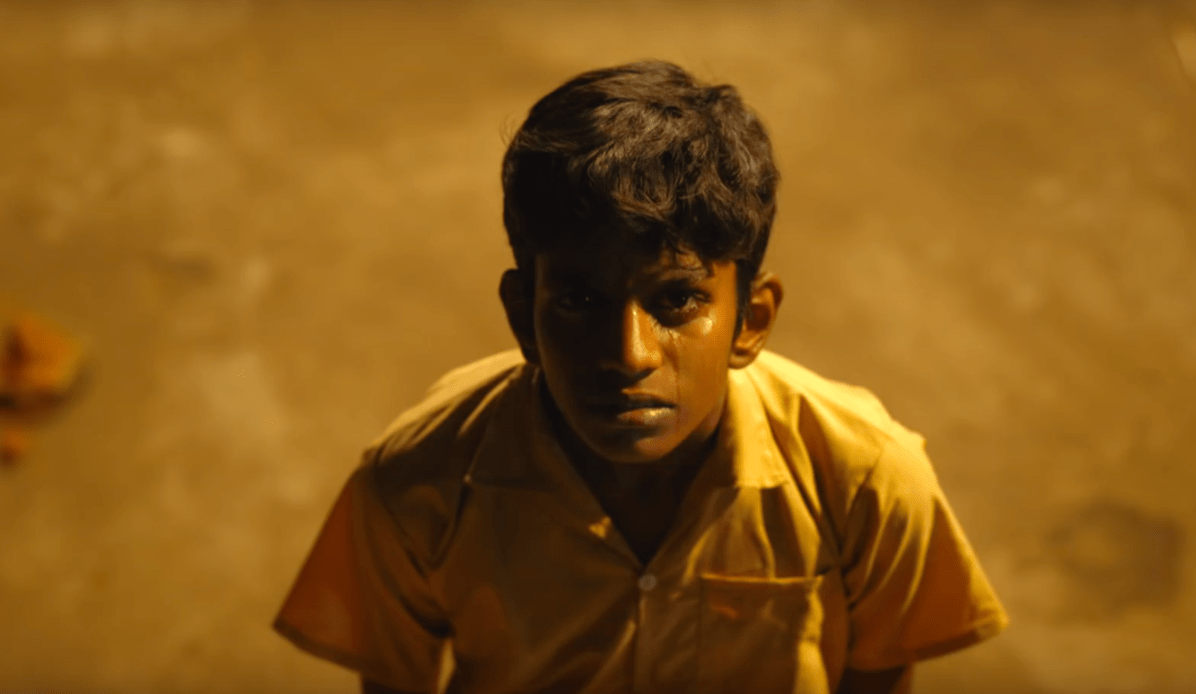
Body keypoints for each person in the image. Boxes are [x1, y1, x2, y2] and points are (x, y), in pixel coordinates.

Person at [273, 60, 1009, 694]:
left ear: (751, 320)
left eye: (677, 300)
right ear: (523, 315)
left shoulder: (866, 477)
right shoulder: (418, 478)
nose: (628, 355)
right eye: (579, 301)